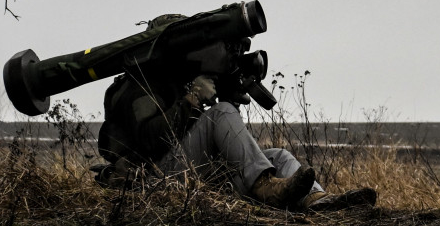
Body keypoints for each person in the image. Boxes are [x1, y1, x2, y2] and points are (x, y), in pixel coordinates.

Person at [103, 72, 374, 212]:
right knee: (221, 113)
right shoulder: (142, 85)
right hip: (155, 180)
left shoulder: (177, 82)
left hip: (194, 177)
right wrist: (193, 100)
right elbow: (152, 140)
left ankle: (319, 203)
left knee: (278, 156)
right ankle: (264, 186)